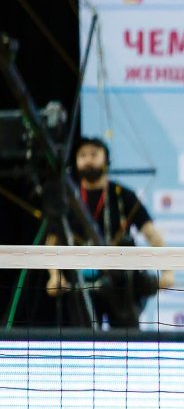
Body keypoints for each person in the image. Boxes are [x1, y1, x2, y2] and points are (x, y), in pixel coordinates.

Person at [45, 136, 175, 328]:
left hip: (120, 283)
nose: (88, 160)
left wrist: (168, 272)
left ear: (106, 160)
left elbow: (152, 235)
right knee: (82, 339)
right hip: (82, 283)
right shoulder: (67, 200)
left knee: (126, 338)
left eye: (94, 154)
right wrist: (55, 275)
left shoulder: (123, 195)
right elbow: (52, 241)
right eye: (82, 155)